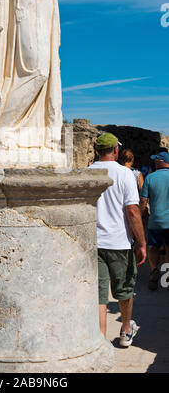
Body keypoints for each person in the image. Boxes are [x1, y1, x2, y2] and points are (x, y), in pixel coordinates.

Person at [89, 133, 146, 347]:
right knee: (124, 290)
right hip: (119, 243)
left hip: (93, 243)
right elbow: (132, 211)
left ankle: (100, 341)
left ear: (96, 150)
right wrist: (141, 242)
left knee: (99, 295)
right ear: (115, 150)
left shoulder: (85, 173)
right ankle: (125, 330)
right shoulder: (124, 174)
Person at [140, 151, 169, 290]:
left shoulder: (150, 178)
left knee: (153, 247)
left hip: (156, 220)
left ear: (159, 162)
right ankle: (167, 272)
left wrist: (141, 216)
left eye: (156, 160)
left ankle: (154, 270)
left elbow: (143, 201)